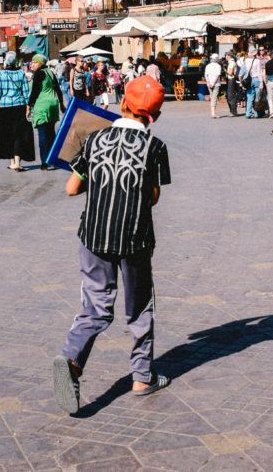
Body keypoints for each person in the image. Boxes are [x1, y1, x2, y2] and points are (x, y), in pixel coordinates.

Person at [53, 75, 172, 415]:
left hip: (94, 236)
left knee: (95, 307)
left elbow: (72, 189)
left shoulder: (95, 139)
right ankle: (142, 377)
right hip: (135, 238)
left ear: (122, 103)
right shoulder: (155, 147)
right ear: (156, 116)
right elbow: (152, 197)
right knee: (139, 307)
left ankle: (71, 360)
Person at [0, 51, 35, 171]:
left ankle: (12, 162)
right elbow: (26, 93)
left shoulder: (0, 74)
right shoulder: (21, 73)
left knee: (7, 134)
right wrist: (29, 108)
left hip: (4, 107)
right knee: (18, 134)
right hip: (19, 107)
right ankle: (17, 162)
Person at [26, 54, 65, 170]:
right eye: (31, 62)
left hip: (42, 106)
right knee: (51, 134)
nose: (32, 64)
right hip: (53, 105)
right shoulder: (50, 72)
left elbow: (35, 92)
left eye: (34, 62)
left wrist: (28, 106)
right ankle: (53, 160)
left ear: (40, 63)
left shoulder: (39, 74)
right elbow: (58, 89)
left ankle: (45, 162)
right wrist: (61, 104)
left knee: (42, 135)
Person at [244, 47, 266, 118]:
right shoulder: (257, 61)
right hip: (256, 79)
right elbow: (260, 72)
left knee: (250, 97)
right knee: (258, 98)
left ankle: (248, 113)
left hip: (249, 80)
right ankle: (257, 113)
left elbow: (245, 72)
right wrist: (261, 83)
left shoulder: (246, 60)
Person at [204, 53, 222, 118]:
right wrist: (213, 83)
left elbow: (206, 75)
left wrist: (208, 82)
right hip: (216, 84)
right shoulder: (218, 66)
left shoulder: (208, 66)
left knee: (212, 97)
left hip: (209, 84)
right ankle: (213, 113)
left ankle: (213, 112)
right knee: (214, 98)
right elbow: (218, 75)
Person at [224, 52, 240, 116]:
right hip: (231, 80)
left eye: (226, 56)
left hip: (231, 80)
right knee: (230, 96)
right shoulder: (232, 62)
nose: (225, 57)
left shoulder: (231, 63)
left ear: (228, 56)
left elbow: (230, 73)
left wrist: (225, 70)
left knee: (230, 96)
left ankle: (233, 112)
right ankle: (232, 111)